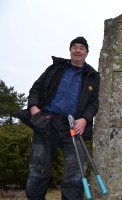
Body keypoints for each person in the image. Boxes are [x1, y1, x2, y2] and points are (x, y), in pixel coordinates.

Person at [21, 36, 100, 199]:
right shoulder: (54, 69)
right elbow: (35, 88)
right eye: (74, 47)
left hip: (73, 126)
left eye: (81, 48)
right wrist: (34, 109)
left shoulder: (93, 76)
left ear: (86, 53)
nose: (78, 50)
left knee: (76, 169)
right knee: (39, 166)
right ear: (70, 50)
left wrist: (84, 119)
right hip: (46, 122)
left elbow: (93, 102)